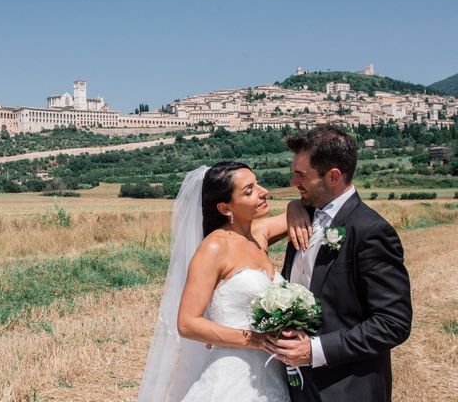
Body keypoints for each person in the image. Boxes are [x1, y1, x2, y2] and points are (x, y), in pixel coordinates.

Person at [138, 161, 310, 402]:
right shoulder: (214, 248)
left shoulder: (257, 236)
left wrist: (294, 206)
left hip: (271, 373)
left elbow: (306, 208)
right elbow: (187, 324)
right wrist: (254, 340)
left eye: (257, 184)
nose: (263, 192)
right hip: (232, 375)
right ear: (225, 207)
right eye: (249, 191)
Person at [265, 125, 412, 401]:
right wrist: (293, 207)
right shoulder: (302, 213)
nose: (293, 182)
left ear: (333, 176)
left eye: (301, 175)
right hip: (296, 387)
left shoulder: (370, 231)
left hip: (346, 389)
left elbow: (393, 323)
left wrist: (316, 350)